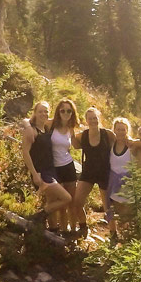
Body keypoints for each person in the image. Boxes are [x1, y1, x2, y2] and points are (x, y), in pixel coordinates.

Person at [21, 101, 71, 226]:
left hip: (51, 170)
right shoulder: (32, 131)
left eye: (46, 111)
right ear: (35, 113)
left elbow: (62, 118)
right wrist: (35, 174)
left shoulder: (47, 127)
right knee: (66, 198)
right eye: (40, 111)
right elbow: (25, 153)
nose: (43, 114)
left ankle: (52, 229)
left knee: (52, 200)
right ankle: (38, 216)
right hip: (41, 173)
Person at [72, 106, 111, 239]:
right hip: (88, 172)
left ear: (99, 119)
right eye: (90, 119)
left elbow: (121, 143)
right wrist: (70, 129)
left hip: (104, 172)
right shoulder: (83, 135)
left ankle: (113, 234)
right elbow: (75, 144)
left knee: (108, 207)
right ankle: (83, 227)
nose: (93, 121)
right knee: (77, 201)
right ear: (87, 120)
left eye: (95, 118)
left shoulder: (107, 134)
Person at [50, 98, 82, 234]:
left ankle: (73, 229)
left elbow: (76, 145)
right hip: (54, 168)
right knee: (61, 201)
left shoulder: (71, 128)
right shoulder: (50, 125)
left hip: (68, 167)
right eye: (62, 110)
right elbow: (33, 125)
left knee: (72, 202)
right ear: (58, 112)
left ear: (72, 113)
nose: (66, 113)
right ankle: (61, 229)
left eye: (69, 111)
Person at [106, 117, 136, 242]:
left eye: (123, 130)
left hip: (127, 182)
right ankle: (115, 236)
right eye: (118, 129)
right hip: (113, 182)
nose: (121, 132)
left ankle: (127, 238)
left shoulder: (131, 145)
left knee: (126, 213)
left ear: (127, 131)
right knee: (116, 209)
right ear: (114, 130)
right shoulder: (111, 144)